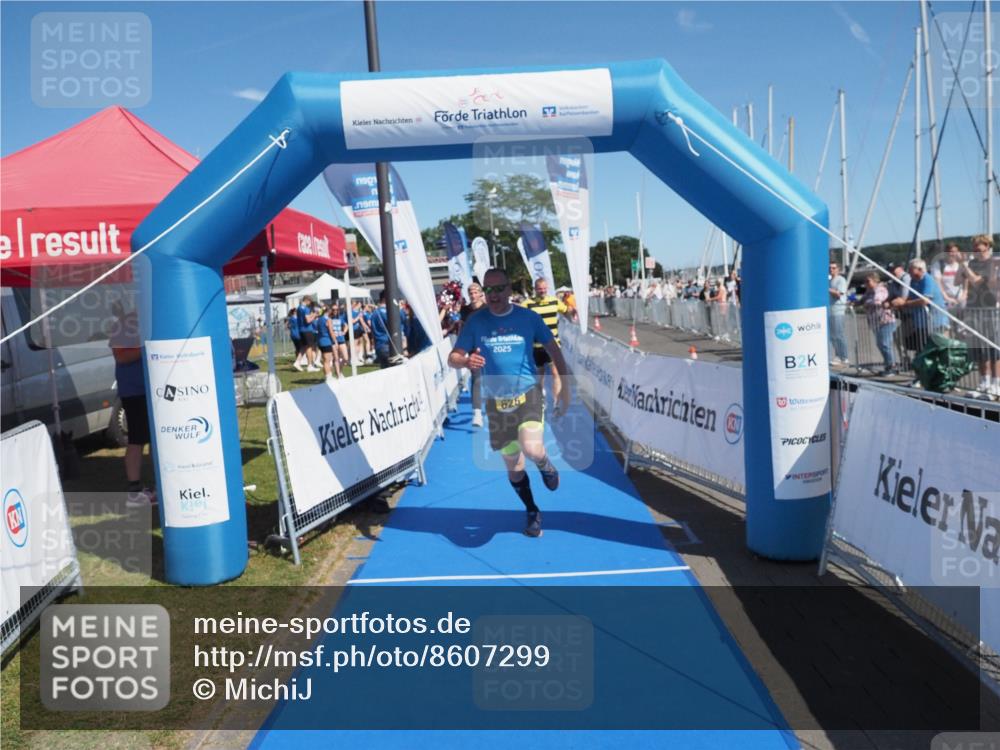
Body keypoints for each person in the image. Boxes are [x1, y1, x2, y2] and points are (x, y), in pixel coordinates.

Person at [449, 268, 570, 538]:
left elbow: (555, 351)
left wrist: (564, 386)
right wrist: (466, 361)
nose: (493, 295)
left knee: (532, 448)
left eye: (499, 288)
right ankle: (531, 510)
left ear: (509, 289)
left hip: (528, 394)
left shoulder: (528, 317)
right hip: (496, 403)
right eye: (488, 289)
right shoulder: (476, 322)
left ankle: (545, 464)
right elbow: (452, 357)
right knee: (513, 466)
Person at [108, 304, 157, 509]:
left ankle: (160, 486)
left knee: (157, 438)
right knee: (137, 439)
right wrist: (147, 346)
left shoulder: (152, 318)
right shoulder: (122, 326)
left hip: (153, 388)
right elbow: (120, 356)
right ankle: (135, 492)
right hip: (134, 390)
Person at [520, 278, 568, 406]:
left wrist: (574, 312)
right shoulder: (527, 304)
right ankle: (541, 399)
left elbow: (566, 311)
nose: (542, 291)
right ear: (535, 289)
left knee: (555, 373)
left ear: (547, 288)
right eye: (539, 289)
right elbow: (517, 316)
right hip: (536, 346)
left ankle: (557, 402)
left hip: (553, 345)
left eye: (544, 288)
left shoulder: (554, 301)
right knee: (539, 375)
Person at [963, 235, 1000, 396]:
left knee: (994, 348)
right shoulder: (972, 263)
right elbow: (968, 285)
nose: (976, 251)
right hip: (975, 309)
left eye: (979, 247)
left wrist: (964, 267)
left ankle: (996, 382)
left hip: (991, 309)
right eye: (974, 248)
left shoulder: (993, 263)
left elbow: (978, 281)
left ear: (987, 246)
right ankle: (984, 381)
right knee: (979, 348)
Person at [891, 257, 950, 355]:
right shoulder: (913, 281)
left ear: (920, 269)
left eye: (911, 269)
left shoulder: (928, 279)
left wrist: (905, 303)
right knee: (921, 349)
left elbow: (925, 300)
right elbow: (910, 297)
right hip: (921, 323)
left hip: (936, 322)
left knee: (939, 349)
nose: (908, 272)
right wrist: (899, 302)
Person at [460, 282, 487, 427]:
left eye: (476, 292)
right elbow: (462, 330)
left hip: (489, 347)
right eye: (471, 293)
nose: (473, 295)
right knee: (476, 379)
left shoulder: (488, 309)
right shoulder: (464, 310)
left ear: (481, 293)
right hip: (473, 349)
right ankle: (477, 413)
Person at [861, 272, 898, 375]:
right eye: (865, 281)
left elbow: (877, 301)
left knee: (885, 344)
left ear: (875, 280)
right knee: (880, 344)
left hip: (886, 321)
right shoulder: (869, 292)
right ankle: (888, 365)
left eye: (868, 281)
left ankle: (892, 367)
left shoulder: (880, 289)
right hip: (876, 322)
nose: (866, 283)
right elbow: (862, 300)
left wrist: (866, 303)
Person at [933, 243, 968, 310]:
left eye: (955, 252)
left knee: (962, 319)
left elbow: (966, 281)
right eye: (950, 252)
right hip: (945, 300)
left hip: (960, 299)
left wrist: (964, 296)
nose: (952, 254)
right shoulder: (938, 265)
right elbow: (938, 283)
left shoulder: (962, 264)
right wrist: (946, 298)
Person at [828, 261, 850, 365]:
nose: (831, 270)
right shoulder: (828, 280)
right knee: (832, 335)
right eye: (830, 268)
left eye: (833, 268)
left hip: (838, 310)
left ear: (837, 269)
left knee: (839, 334)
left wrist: (827, 289)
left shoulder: (841, 280)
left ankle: (844, 357)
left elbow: (839, 294)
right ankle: (838, 355)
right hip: (830, 310)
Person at [295, 296, 322, 372]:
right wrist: (315, 315)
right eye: (310, 302)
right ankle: (310, 365)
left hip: (302, 329)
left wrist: (314, 315)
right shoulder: (306, 309)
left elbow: (306, 318)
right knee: (309, 347)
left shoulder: (300, 308)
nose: (310, 304)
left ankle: (297, 362)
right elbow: (308, 321)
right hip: (307, 330)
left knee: (304, 347)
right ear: (307, 300)